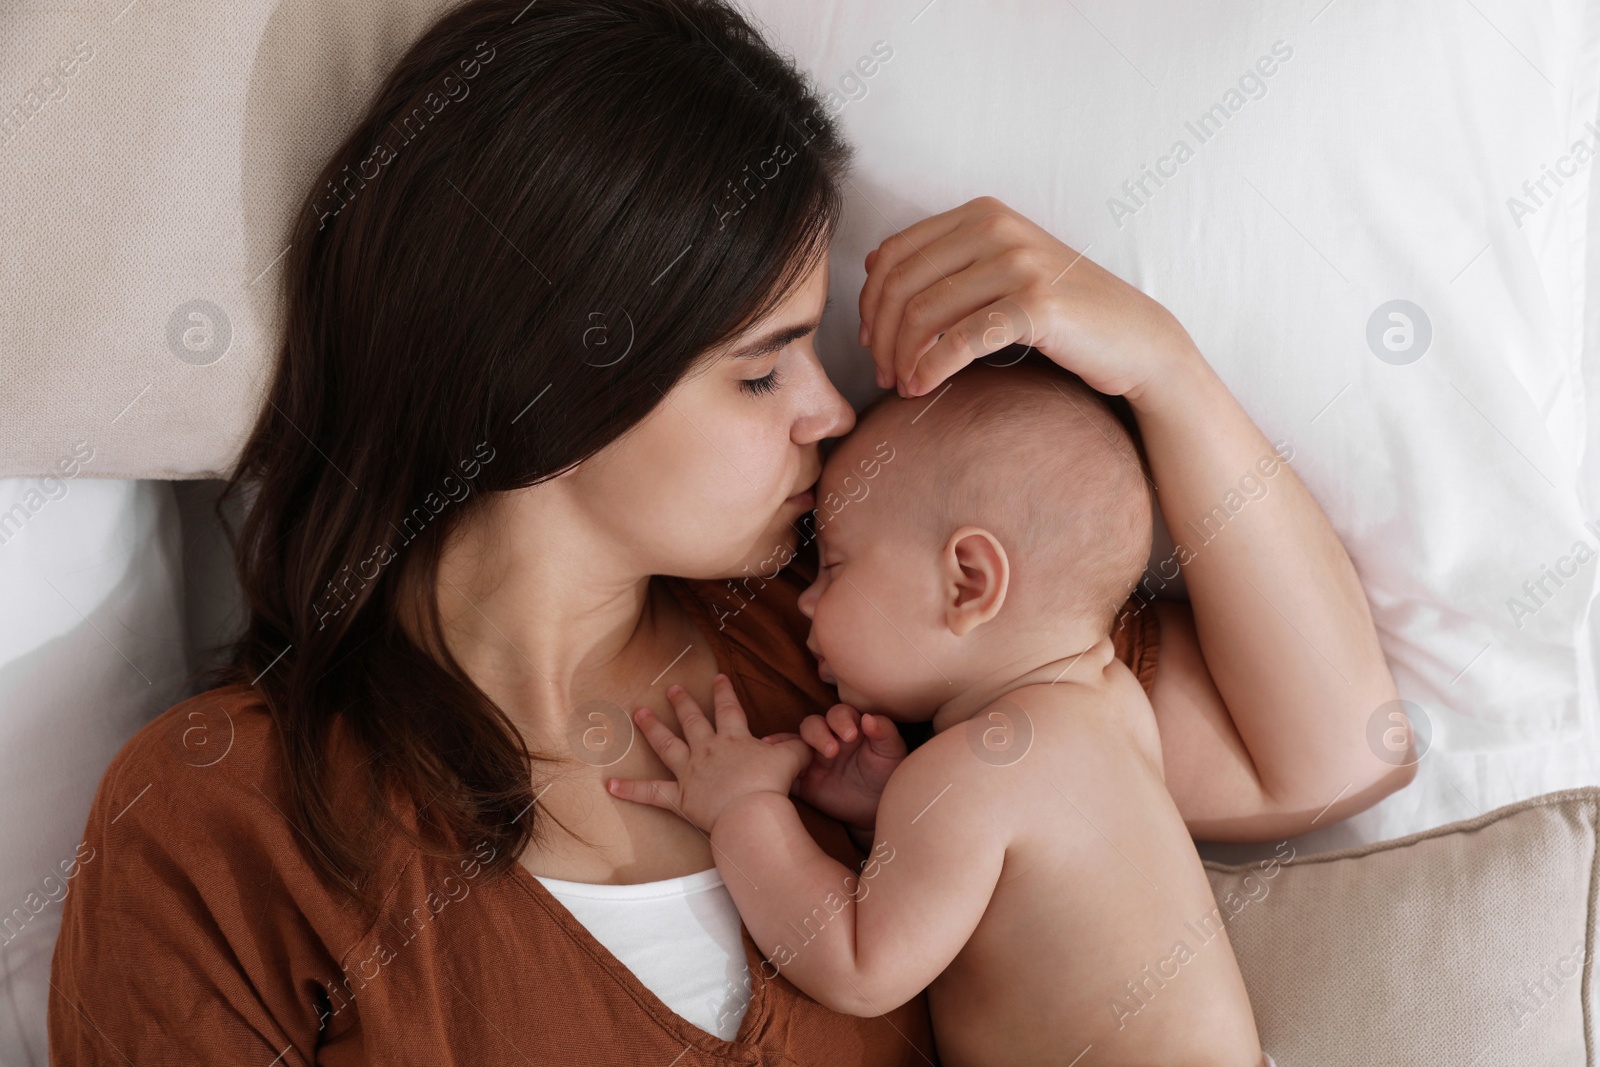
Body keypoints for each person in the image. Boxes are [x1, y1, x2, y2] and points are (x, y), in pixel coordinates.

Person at [48, 0, 1410, 1062]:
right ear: (551, 387)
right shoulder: (220, 821)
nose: (830, 411)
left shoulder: (851, 644)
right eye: (761, 370)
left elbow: (1340, 751)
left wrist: (1157, 364)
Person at [607, 360, 1298, 1065]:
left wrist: (743, 808)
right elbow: (1025, 879)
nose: (808, 600)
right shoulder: (1115, 707)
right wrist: (891, 812)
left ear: (969, 581)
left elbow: (856, 966)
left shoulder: (969, 775)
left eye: (836, 566)